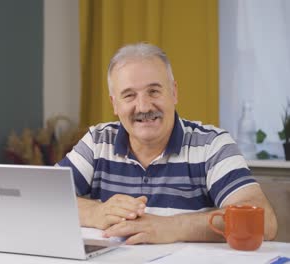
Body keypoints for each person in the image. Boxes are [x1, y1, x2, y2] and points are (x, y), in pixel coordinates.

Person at [57, 42, 278, 244]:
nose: (143, 107)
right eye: (129, 95)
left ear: (173, 93)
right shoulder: (98, 141)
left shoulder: (212, 144)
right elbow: (40, 200)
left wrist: (173, 226)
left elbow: (264, 222)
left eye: (154, 91)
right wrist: (95, 213)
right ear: (115, 104)